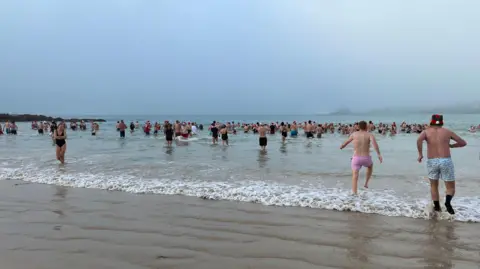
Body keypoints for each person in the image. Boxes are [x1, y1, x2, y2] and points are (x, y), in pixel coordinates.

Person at [417, 114, 466, 215]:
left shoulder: (426, 132)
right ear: (442, 121)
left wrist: (420, 154)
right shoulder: (447, 132)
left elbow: (419, 140)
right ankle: (448, 202)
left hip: (432, 161)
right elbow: (463, 142)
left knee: (434, 186)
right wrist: (452, 146)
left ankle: (437, 208)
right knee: (450, 187)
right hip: (445, 160)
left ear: (431, 121)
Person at [340, 121, 382, 195]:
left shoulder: (354, 134)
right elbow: (375, 145)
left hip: (356, 158)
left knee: (355, 176)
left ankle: (354, 193)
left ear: (358, 127)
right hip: (366, 158)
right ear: (366, 127)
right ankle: (366, 183)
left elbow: (345, 143)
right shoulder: (369, 135)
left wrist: (342, 146)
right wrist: (379, 154)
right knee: (370, 166)